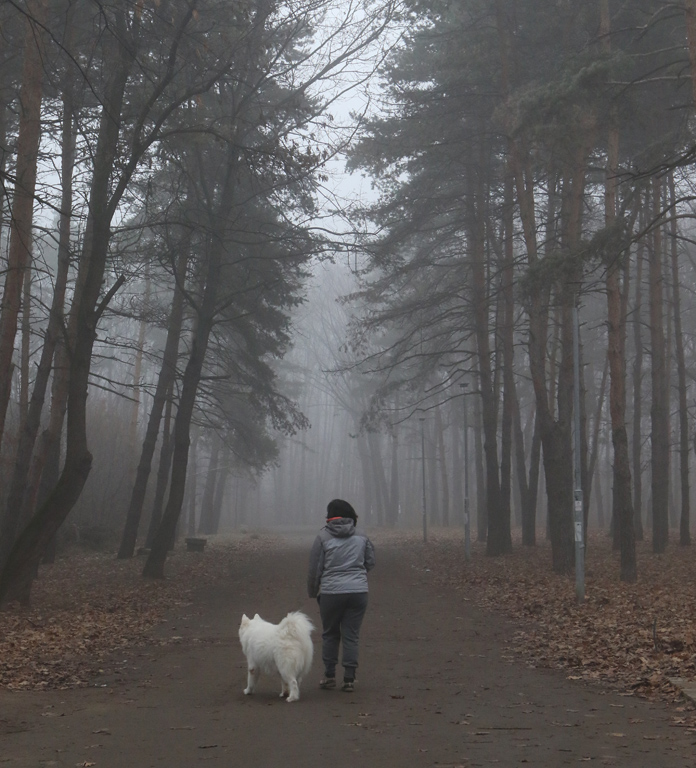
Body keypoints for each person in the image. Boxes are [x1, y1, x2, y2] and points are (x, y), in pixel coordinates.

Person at [307, 499, 375, 692]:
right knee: (351, 636)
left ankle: (329, 676)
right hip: (358, 593)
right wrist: (358, 574)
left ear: (330, 516)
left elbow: (315, 569)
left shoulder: (323, 537)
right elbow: (371, 561)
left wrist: (313, 591)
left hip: (331, 593)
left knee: (330, 633)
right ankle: (349, 679)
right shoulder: (362, 535)